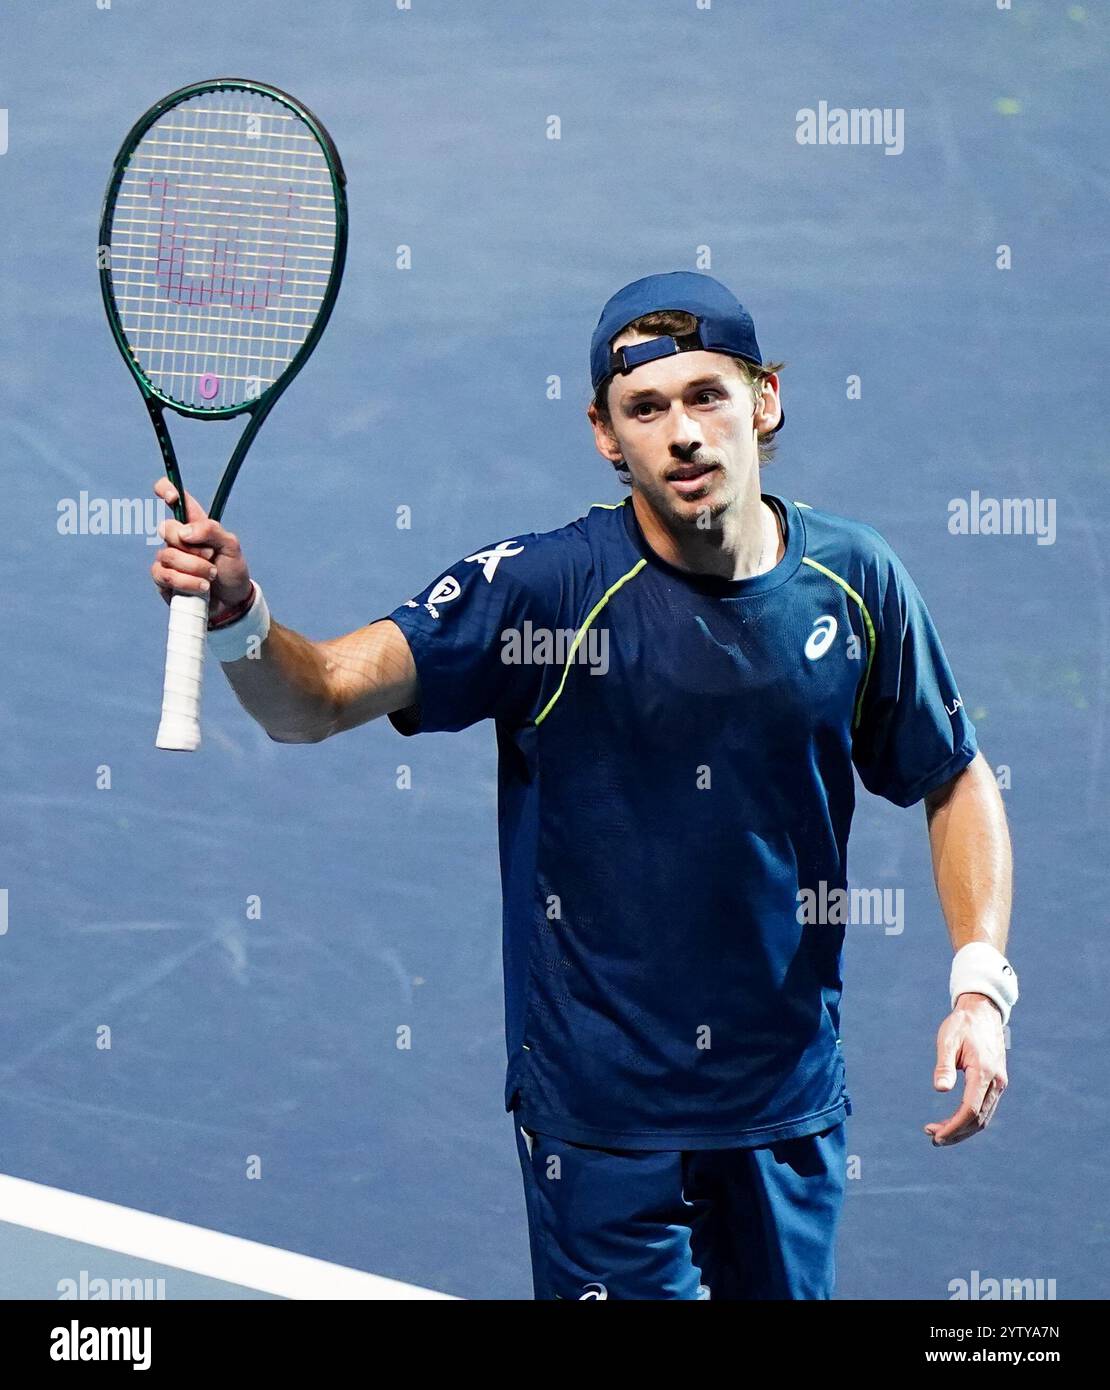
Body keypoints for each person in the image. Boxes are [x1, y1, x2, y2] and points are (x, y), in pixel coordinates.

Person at [150, 271, 1017, 1300]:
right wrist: (241, 612)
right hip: (602, 1129)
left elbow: (952, 774)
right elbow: (321, 698)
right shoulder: (542, 591)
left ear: (765, 399)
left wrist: (979, 985)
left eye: (707, 395)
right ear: (607, 438)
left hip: (786, 1111)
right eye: (644, 409)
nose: (682, 432)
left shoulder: (859, 582)